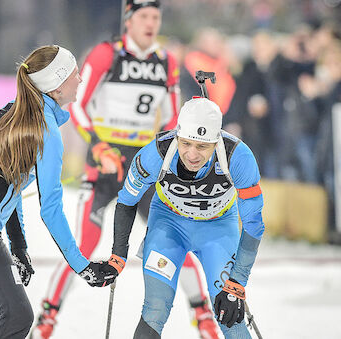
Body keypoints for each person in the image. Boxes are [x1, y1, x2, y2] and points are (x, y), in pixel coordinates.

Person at [31, 1, 221, 339]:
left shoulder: (167, 61)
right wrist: (99, 146)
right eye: (144, 17)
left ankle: (203, 315)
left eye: (156, 17)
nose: (151, 23)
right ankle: (47, 317)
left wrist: (172, 155)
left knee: (175, 241)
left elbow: (173, 117)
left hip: (145, 168)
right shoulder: (107, 54)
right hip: (104, 165)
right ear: (129, 20)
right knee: (84, 246)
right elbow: (80, 107)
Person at [0, 45, 116, 339]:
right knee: (18, 317)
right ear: (56, 84)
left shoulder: (14, 111)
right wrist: (83, 266)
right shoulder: (46, 130)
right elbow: (51, 208)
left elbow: (10, 184)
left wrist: (19, 246)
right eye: (75, 74)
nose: (80, 80)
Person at [105, 96, 265, 338]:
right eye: (186, 143)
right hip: (169, 224)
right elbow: (127, 201)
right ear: (177, 135)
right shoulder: (157, 152)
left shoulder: (238, 157)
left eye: (202, 147)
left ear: (216, 141)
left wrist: (237, 283)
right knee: (155, 309)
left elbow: (253, 224)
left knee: (229, 314)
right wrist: (118, 255)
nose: (192, 154)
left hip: (217, 227)